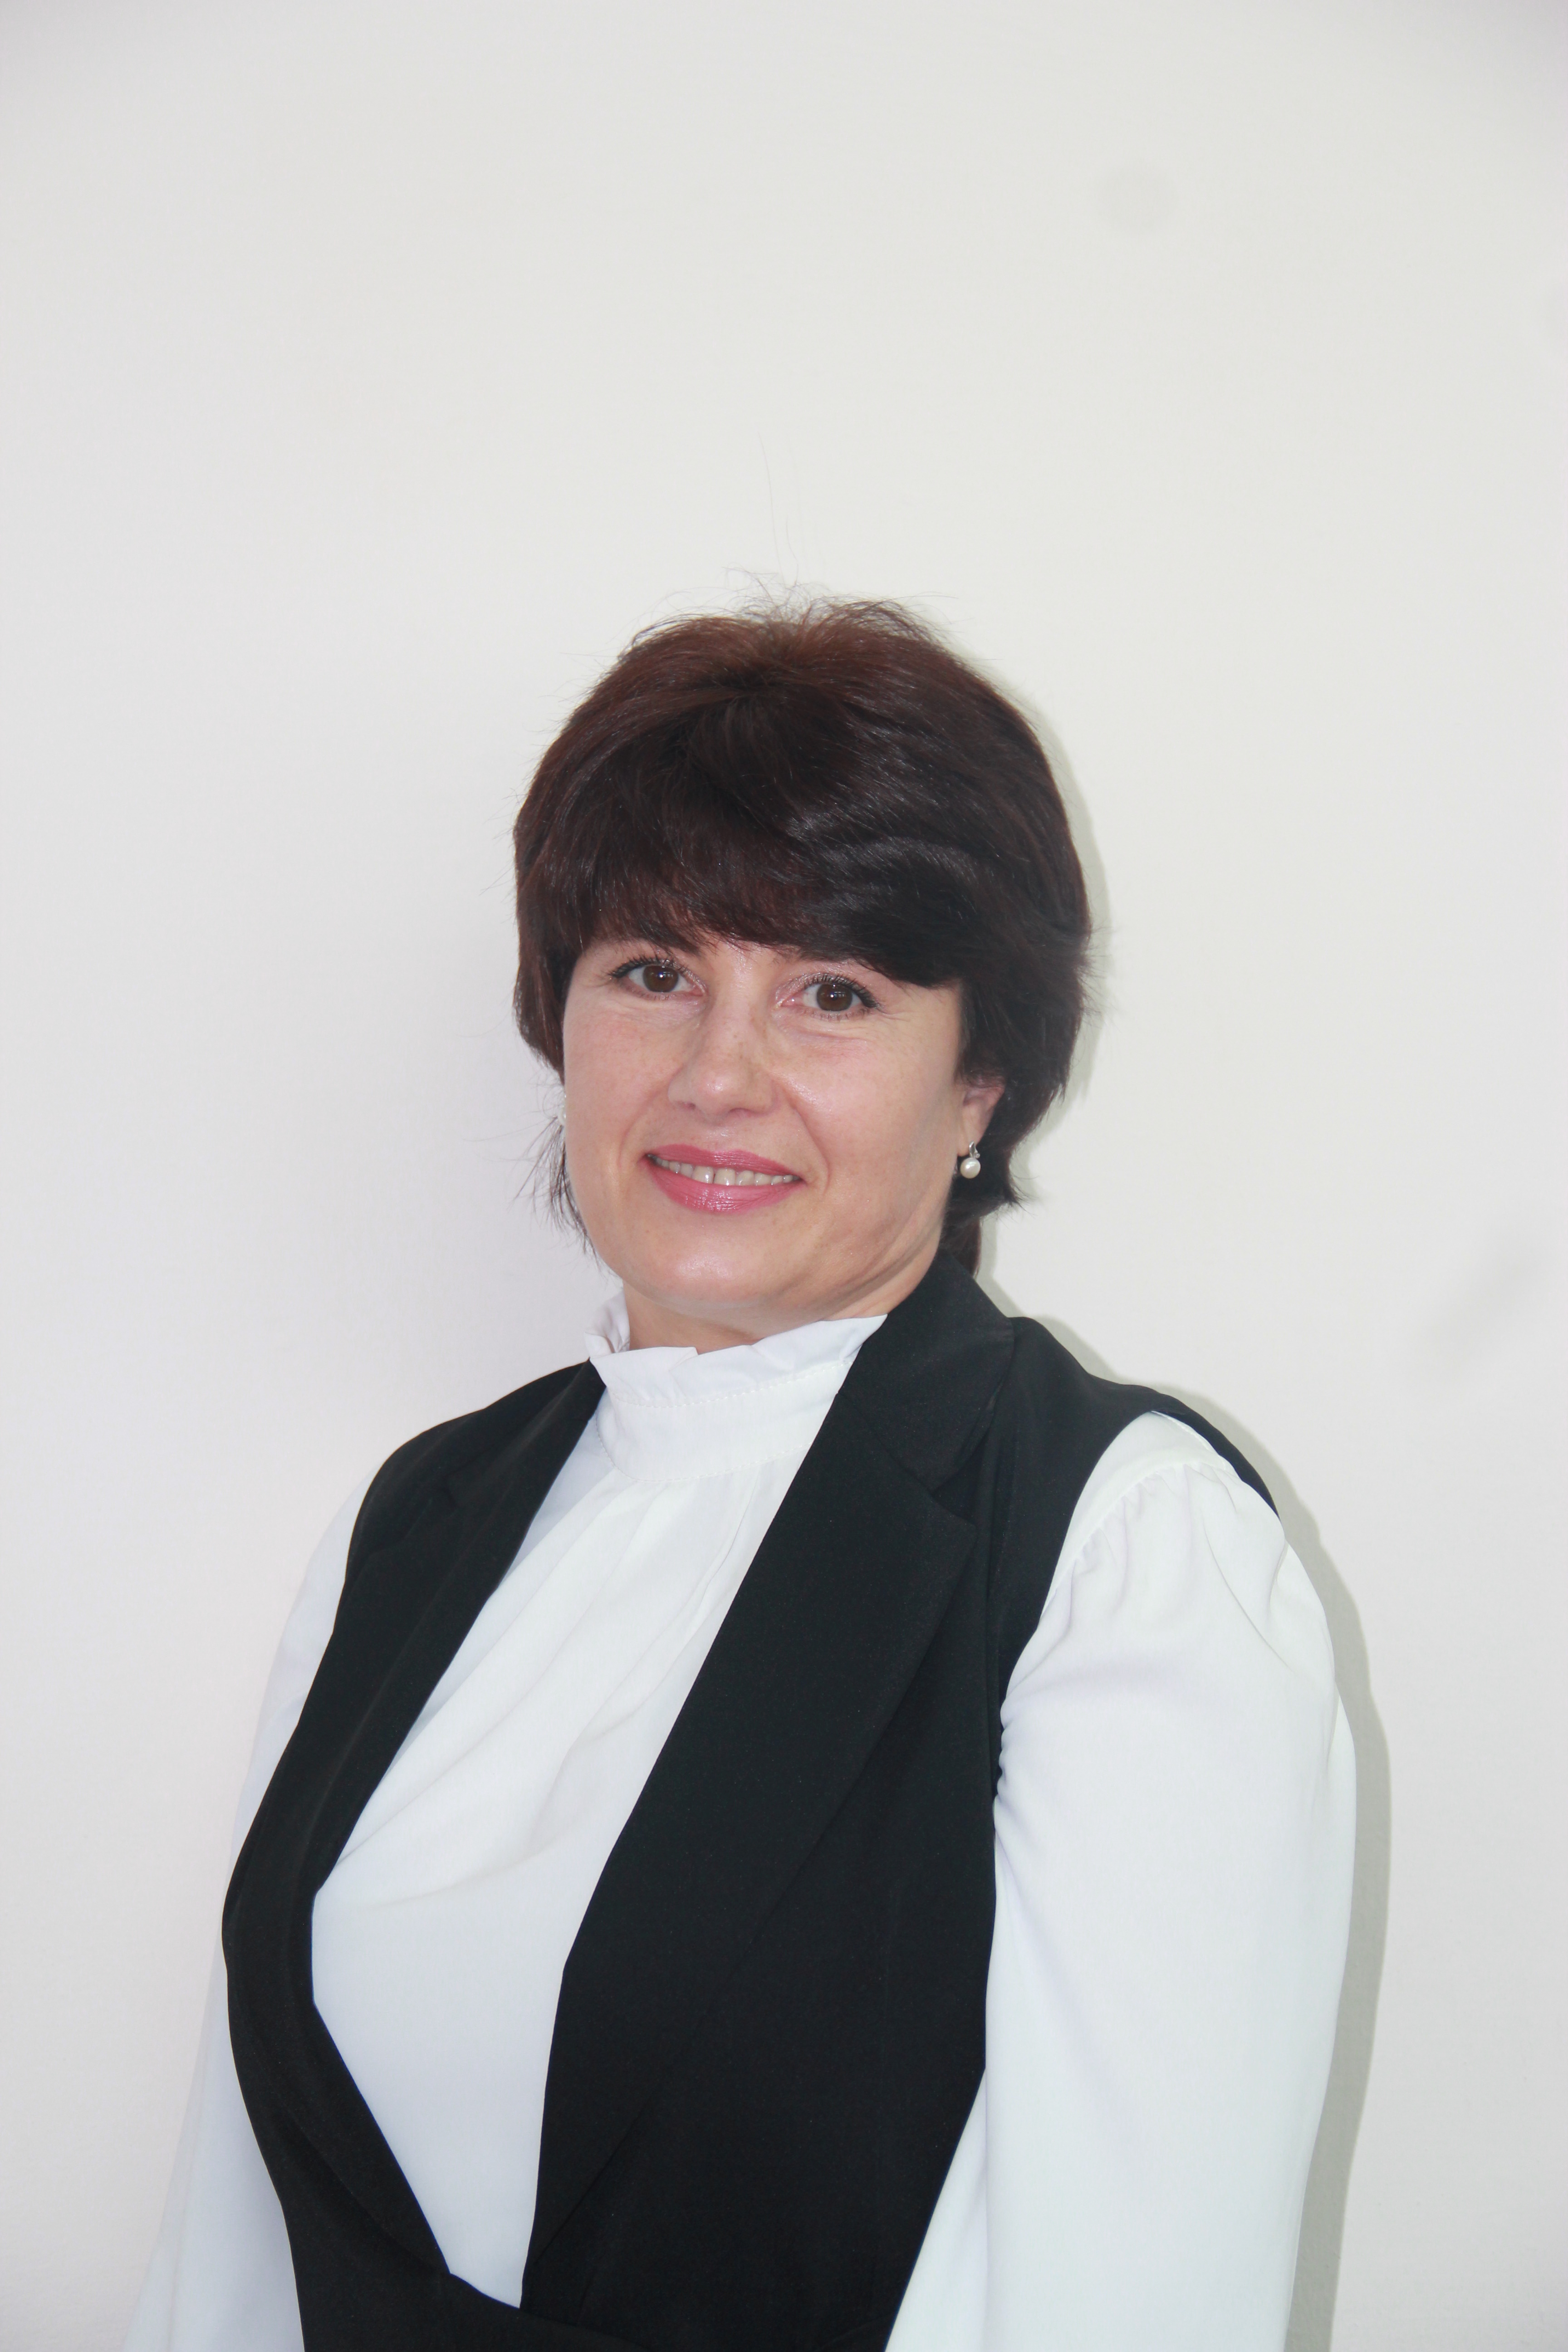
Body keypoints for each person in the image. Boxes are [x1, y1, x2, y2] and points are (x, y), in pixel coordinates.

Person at [126, 601, 1355, 2352]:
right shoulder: (416, 1525)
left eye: (832, 994)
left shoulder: (1119, 1549)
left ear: (980, 1082)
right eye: (654, 972)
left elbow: (1129, 2304)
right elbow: (235, 2238)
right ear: (563, 1018)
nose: (718, 1075)